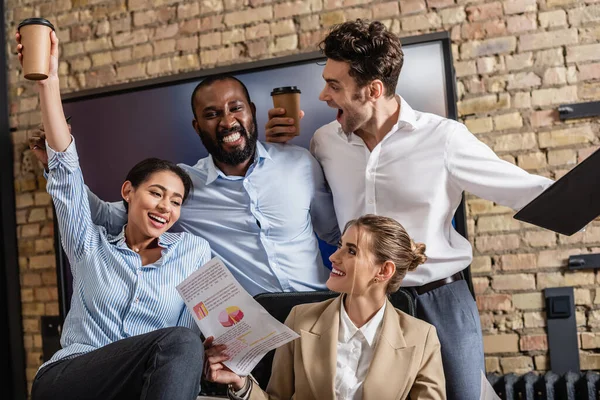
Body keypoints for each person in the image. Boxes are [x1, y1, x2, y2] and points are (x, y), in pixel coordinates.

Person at [265, 19, 554, 400]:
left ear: (374, 90)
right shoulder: (324, 142)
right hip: (361, 302)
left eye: (335, 85)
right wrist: (274, 148)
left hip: (437, 299)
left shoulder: (444, 138)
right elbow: (318, 215)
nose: (323, 95)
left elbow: (524, 189)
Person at [17, 31, 210, 400]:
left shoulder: (193, 251)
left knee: (185, 340)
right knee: (180, 341)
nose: (165, 207)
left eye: (176, 201)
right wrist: (49, 80)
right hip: (72, 377)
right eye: (156, 193)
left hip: (141, 382)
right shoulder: (89, 245)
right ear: (128, 193)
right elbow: (67, 175)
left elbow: (190, 331)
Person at [29, 75, 340, 297]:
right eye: (212, 114)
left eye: (236, 108)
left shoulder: (300, 163)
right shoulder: (180, 187)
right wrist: (55, 165)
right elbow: (108, 217)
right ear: (197, 127)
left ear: (252, 112)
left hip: (319, 306)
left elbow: (334, 233)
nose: (227, 121)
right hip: (254, 323)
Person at [205, 214, 445, 400]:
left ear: (384, 271)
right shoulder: (301, 319)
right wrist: (241, 383)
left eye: (351, 250)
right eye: (340, 245)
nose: (333, 256)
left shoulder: (422, 337)